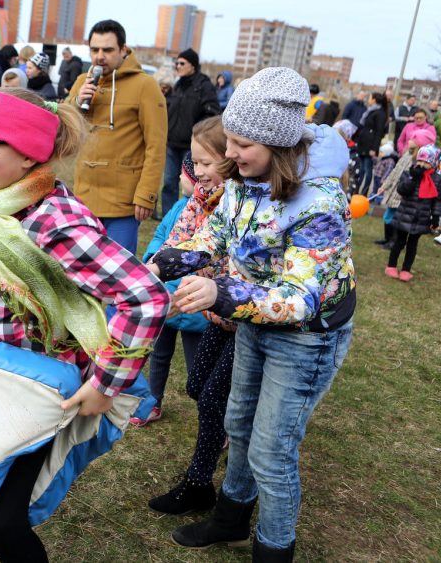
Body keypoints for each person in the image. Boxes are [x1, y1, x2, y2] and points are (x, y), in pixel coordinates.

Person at [0, 86, 169, 562]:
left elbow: (145, 298)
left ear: (29, 156)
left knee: (2, 522)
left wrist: (106, 386)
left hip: (42, 388)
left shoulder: (55, 225)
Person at [150, 67, 355, 562]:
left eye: (241, 143)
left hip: (307, 335)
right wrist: (164, 264)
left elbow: (300, 297)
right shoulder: (245, 179)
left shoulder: (322, 203)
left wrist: (220, 294)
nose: (230, 152)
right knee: (238, 422)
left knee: (271, 448)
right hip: (255, 321)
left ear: (276, 142)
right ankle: (231, 519)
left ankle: (274, 547)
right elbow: (214, 235)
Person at [147, 117, 239, 515]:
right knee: (199, 386)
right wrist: (148, 275)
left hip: (245, 317)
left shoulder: (241, 200)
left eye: (205, 163)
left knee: (214, 395)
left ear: (230, 158)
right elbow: (179, 243)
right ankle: (228, 429)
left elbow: (227, 256)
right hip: (217, 314)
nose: (196, 171)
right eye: (194, 162)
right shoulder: (201, 197)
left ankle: (200, 482)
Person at [68, 19, 168, 255]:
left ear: (123, 50)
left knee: (117, 274)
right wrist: (74, 102)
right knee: (81, 269)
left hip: (123, 200)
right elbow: (63, 130)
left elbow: (156, 145)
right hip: (85, 195)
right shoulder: (82, 81)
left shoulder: (145, 86)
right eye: (95, 50)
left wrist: (146, 195)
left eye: (108, 50)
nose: (100, 56)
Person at [134, 152, 207, 427]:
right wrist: (153, 260)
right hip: (165, 297)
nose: (178, 177)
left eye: (184, 174)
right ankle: (152, 402)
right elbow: (160, 236)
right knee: (159, 355)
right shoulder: (177, 207)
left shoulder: (210, 211)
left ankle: (210, 417)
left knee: (197, 367)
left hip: (192, 304)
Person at [161, 48, 220, 217]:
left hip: (192, 148)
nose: (178, 66)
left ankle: (191, 217)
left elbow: (213, 114)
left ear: (193, 66)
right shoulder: (177, 85)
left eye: (182, 63)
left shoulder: (203, 85)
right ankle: (169, 217)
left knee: (194, 185)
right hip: (172, 143)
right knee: (169, 182)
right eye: (176, 63)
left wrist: (199, 135)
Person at [385, 146, 441, 282]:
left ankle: (406, 269)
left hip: (420, 218)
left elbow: (437, 201)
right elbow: (401, 190)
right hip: (404, 214)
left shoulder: (437, 179)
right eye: (420, 161)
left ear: (433, 163)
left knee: (412, 244)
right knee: (399, 241)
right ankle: (391, 266)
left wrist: (435, 216)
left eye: (426, 162)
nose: (422, 165)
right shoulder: (409, 173)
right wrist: (413, 179)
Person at [376, 130, 432, 248]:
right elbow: (395, 171)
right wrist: (384, 186)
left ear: (419, 142)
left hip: (402, 194)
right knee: (388, 216)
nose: (409, 140)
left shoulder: (417, 160)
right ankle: (388, 239)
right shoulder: (406, 154)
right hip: (393, 191)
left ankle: (394, 242)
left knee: (396, 219)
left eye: (413, 139)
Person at [354, 92, 389, 195]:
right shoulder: (371, 111)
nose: (368, 99)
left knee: (367, 169)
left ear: (374, 100)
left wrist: (374, 148)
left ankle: (364, 193)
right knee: (360, 169)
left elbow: (379, 132)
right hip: (363, 143)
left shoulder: (380, 113)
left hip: (370, 146)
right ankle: (355, 190)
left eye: (370, 97)